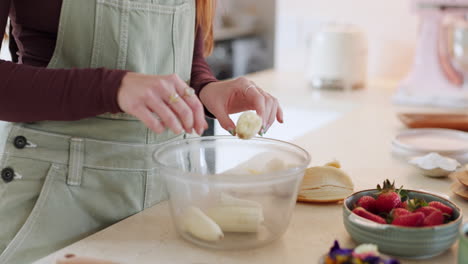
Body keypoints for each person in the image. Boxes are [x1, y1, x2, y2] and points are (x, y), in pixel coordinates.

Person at [0, 0, 283, 263]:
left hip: (169, 197)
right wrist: (112, 87)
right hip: (56, 202)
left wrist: (205, 88)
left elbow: (187, 58)